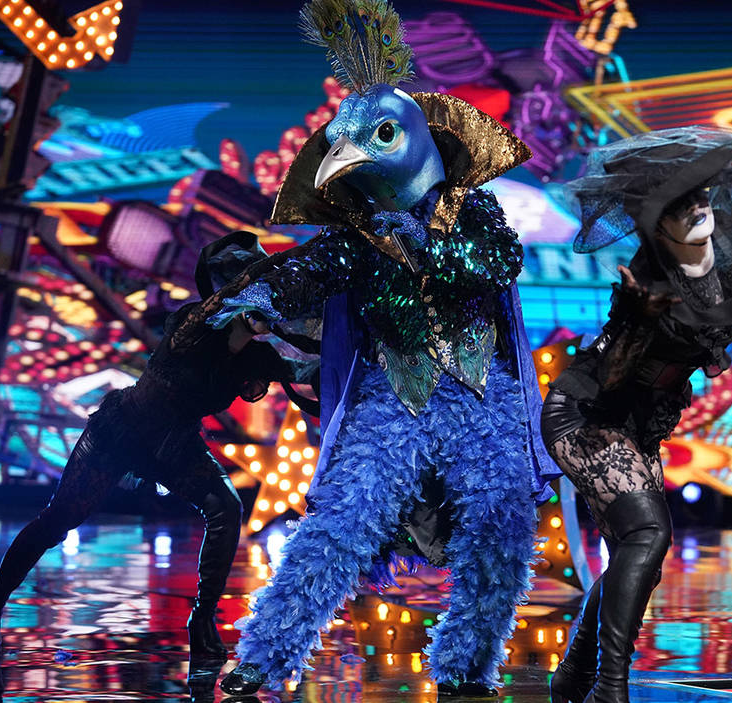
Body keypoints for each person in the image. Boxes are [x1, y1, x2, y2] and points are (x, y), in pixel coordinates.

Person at [202, 0, 558, 695]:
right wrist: (262, 297)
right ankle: (264, 658)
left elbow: (495, 264)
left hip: (481, 399)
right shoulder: (357, 234)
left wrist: (422, 244)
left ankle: (466, 665)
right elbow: (310, 270)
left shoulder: (474, 208)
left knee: (501, 529)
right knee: (339, 525)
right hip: (394, 401)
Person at [542, 86, 732, 703]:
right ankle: (608, 689)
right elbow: (612, 381)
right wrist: (637, 322)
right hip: (587, 415)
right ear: (654, 222)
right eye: (677, 204)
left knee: (637, 550)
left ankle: (574, 676)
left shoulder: (724, 232)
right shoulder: (648, 281)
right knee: (646, 536)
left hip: (638, 424)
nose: (696, 208)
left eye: (697, 195)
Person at [0, 231, 315, 662]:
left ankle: (202, 619)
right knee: (60, 519)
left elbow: (308, 369)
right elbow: (217, 307)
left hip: (175, 445)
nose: (263, 311)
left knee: (226, 508)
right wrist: (256, 283)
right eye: (253, 297)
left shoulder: (255, 358)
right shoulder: (194, 326)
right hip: (122, 432)